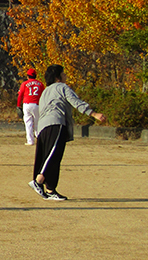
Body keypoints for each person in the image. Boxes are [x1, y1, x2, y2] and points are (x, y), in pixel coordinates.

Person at [29, 64, 106, 201]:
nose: (66, 76)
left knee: (51, 157)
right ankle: (38, 181)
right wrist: (93, 114)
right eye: (63, 74)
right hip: (56, 123)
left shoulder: (45, 91)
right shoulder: (62, 87)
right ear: (58, 77)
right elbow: (75, 102)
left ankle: (51, 190)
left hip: (42, 127)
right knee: (53, 155)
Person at [17, 68, 45, 145]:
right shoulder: (40, 84)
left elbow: (20, 95)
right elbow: (44, 95)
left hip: (27, 104)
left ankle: (30, 141)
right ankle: (40, 140)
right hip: (37, 105)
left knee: (28, 123)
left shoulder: (24, 84)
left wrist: (18, 105)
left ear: (27, 76)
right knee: (38, 123)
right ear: (35, 76)